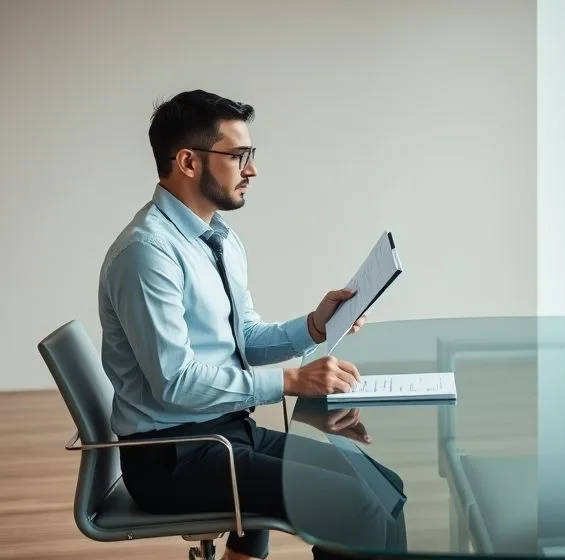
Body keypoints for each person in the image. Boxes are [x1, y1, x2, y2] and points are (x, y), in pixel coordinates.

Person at [98, 89, 402, 560]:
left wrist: (314, 327)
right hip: (174, 455)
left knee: (385, 486)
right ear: (188, 162)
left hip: (224, 432)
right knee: (353, 502)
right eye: (239, 155)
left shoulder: (217, 238)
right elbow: (174, 384)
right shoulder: (147, 254)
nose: (252, 169)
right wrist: (292, 381)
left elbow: (239, 341)